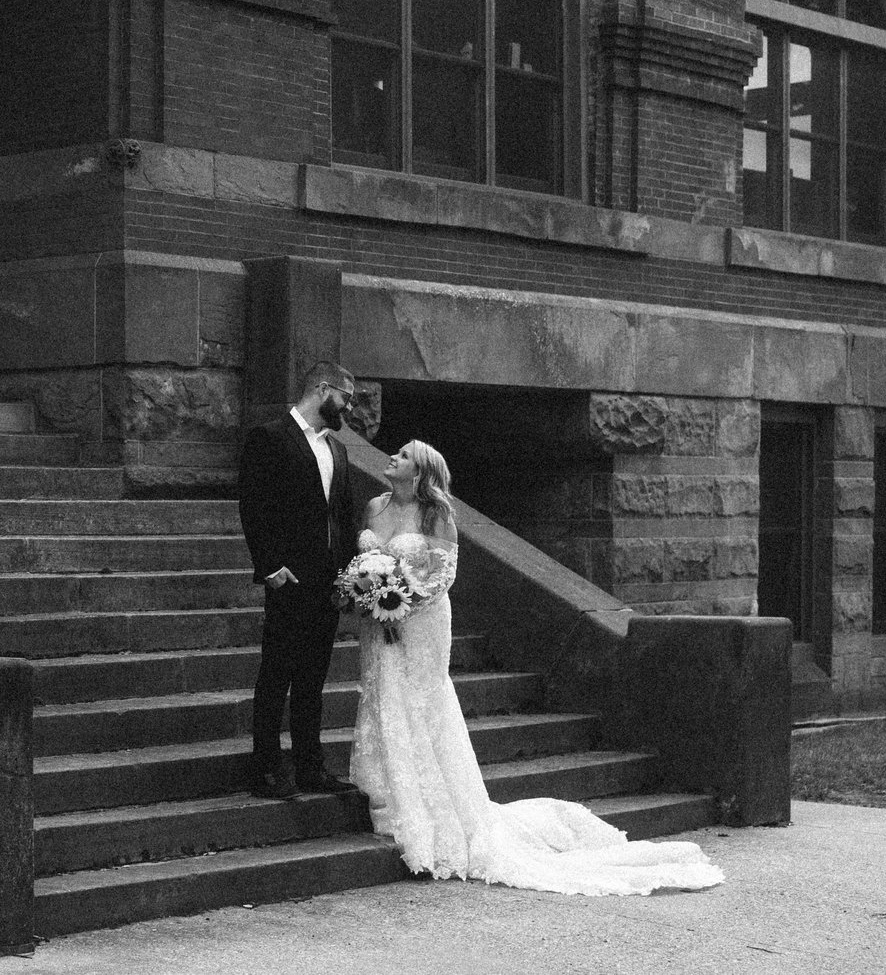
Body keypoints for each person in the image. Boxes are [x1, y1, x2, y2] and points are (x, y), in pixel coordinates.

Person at [349, 440, 726, 894]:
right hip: (378, 622)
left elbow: (444, 573)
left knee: (422, 697)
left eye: (404, 455)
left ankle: (429, 805)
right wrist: (367, 594)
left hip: (422, 620)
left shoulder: (436, 514)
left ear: (421, 471)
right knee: (384, 694)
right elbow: (364, 561)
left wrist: (402, 599)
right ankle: (385, 793)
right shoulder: (374, 505)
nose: (393, 457)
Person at [236, 361, 364, 800]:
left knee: (313, 679)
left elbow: (342, 518)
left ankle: (311, 767)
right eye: (346, 397)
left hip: (327, 582)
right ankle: (267, 769)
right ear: (322, 389)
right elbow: (254, 506)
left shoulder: (338, 450)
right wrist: (269, 567)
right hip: (288, 579)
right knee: (276, 675)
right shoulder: (269, 437)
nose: (349, 407)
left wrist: (348, 576)